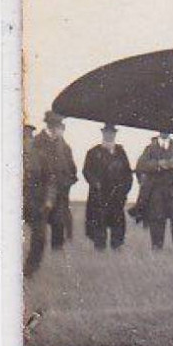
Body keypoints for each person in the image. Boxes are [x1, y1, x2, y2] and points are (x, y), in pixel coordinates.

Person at [134, 131, 173, 251]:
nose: (165, 131)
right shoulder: (150, 148)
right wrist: (158, 164)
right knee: (156, 220)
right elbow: (141, 165)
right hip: (156, 190)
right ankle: (157, 248)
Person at [82, 122, 134, 251]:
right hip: (99, 195)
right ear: (103, 134)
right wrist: (95, 183)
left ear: (115, 135)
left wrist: (124, 191)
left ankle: (117, 246)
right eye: (106, 133)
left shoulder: (121, 152)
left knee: (117, 221)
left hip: (117, 195)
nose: (109, 136)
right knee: (99, 221)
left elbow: (128, 173)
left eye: (111, 133)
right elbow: (86, 171)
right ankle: (100, 247)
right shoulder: (93, 152)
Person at [33, 111, 77, 250]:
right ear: (51, 125)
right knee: (40, 223)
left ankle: (56, 252)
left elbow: (72, 169)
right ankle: (37, 254)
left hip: (60, 190)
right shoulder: (37, 143)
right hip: (41, 190)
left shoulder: (64, 146)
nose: (60, 128)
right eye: (58, 125)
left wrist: (67, 182)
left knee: (58, 222)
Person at [23, 124, 53, 278]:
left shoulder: (40, 157)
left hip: (36, 204)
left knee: (40, 236)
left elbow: (49, 180)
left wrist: (48, 199)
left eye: (29, 137)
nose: (26, 140)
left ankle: (30, 269)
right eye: (23, 137)